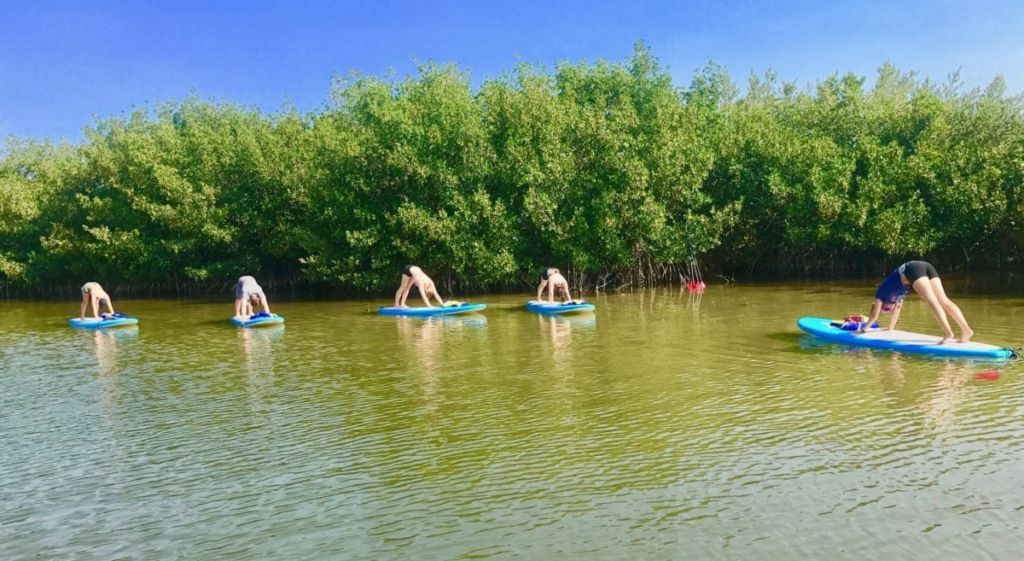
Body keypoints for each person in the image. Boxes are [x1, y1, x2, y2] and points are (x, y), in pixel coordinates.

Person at [860, 260, 973, 344]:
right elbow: (896, 312)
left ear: (880, 306)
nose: (890, 309)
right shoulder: (896, 299)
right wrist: (890, 327)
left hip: (912, 269)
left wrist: (864, 329)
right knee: (943, 300)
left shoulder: (880, 295)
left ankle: (948, 333)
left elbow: (874, 316)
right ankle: (966, 331)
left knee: (931, 299)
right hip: (925, 266)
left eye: (886, 309)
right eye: (889, 310)